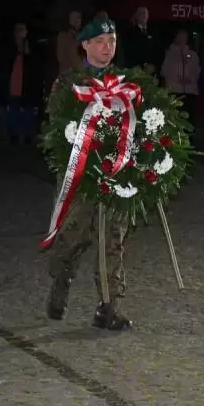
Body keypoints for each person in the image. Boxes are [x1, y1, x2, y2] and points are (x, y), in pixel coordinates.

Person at [45, 18, 132, 331]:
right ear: (85, 45)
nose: (107, 47)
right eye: (100, 42)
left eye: (112, 41)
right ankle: (61, 280)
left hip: (115, 176)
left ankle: (108, 306)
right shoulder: (69, 82)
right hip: (80, 177)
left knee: (112, 240)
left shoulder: (126, 82)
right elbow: (56, 127)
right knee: (72, 237)